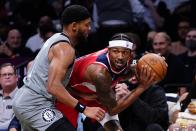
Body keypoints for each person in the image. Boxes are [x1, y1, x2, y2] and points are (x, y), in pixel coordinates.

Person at [12, 5, 105, 131]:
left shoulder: (56, 38)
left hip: (26, 99)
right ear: (74, 26)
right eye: (86, 25)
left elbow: (51, 81)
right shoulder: (65, 49)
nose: (89, 29)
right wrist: (85, 109)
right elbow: (53, 86)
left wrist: (82, 94)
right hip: (35, 104)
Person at [56, 33, 156, 131]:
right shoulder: (99, 73)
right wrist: (142, 86)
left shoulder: (128, 59)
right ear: (108, 50)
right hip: (66, 95)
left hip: (94, 94)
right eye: (116, 51)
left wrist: (152, 62)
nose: (120, 57)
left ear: (131, 53)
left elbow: (126, 71)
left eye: (125, 52)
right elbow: (113, 109)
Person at [0, 63, 21, 131]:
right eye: (4, 75)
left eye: (10, 74)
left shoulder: (23, 96)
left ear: (16, 78)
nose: (7, 77)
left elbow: (19, 121)